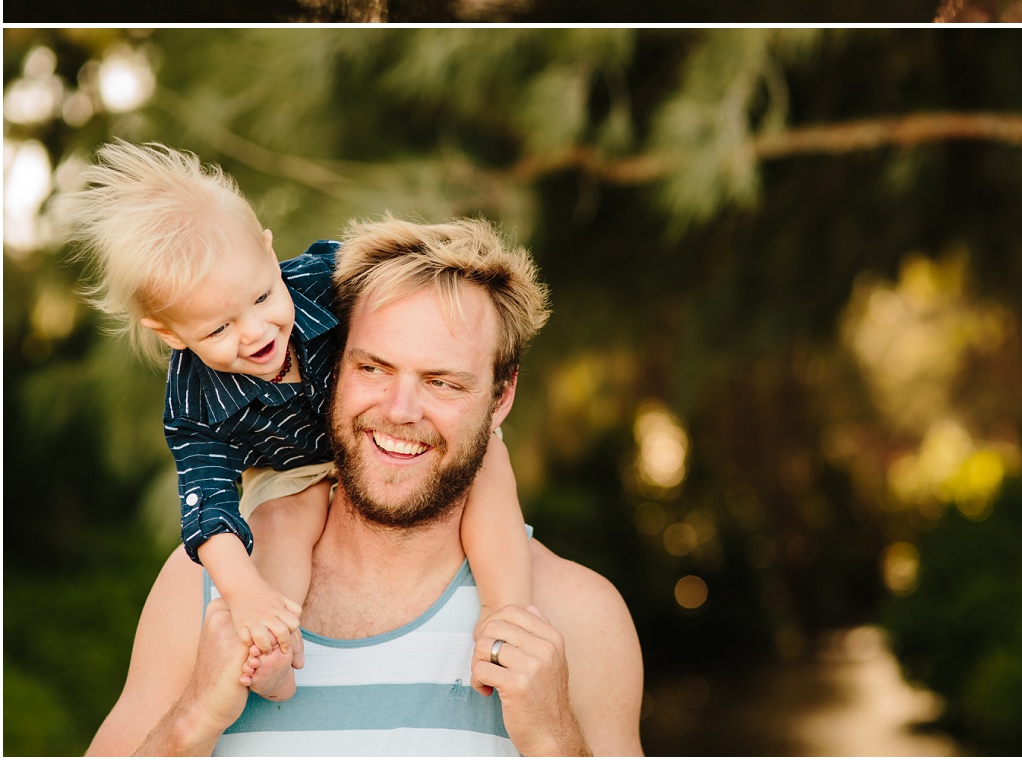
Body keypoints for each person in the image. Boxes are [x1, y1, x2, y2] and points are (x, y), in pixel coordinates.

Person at [87, 213, 644, 758]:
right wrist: (192, 721)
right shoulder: (207, 590)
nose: (400, 410)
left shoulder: (580, 617)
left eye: (442, 382)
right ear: (333, 361)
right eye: (373, 368)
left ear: (501, 398)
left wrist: (553, 742)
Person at [67, 151, 534, 709]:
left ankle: (508, 616)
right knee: (282, 521)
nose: (256, 330)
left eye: (262, 297)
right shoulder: (193, 406)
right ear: (169, 333)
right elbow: (207, 509)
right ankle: (272, 652)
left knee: (489, 465)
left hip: (374, 426)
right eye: (218, 327)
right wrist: (244, 595)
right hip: (291, 465)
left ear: (268, 250)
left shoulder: (321, 279)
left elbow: (407, 297)